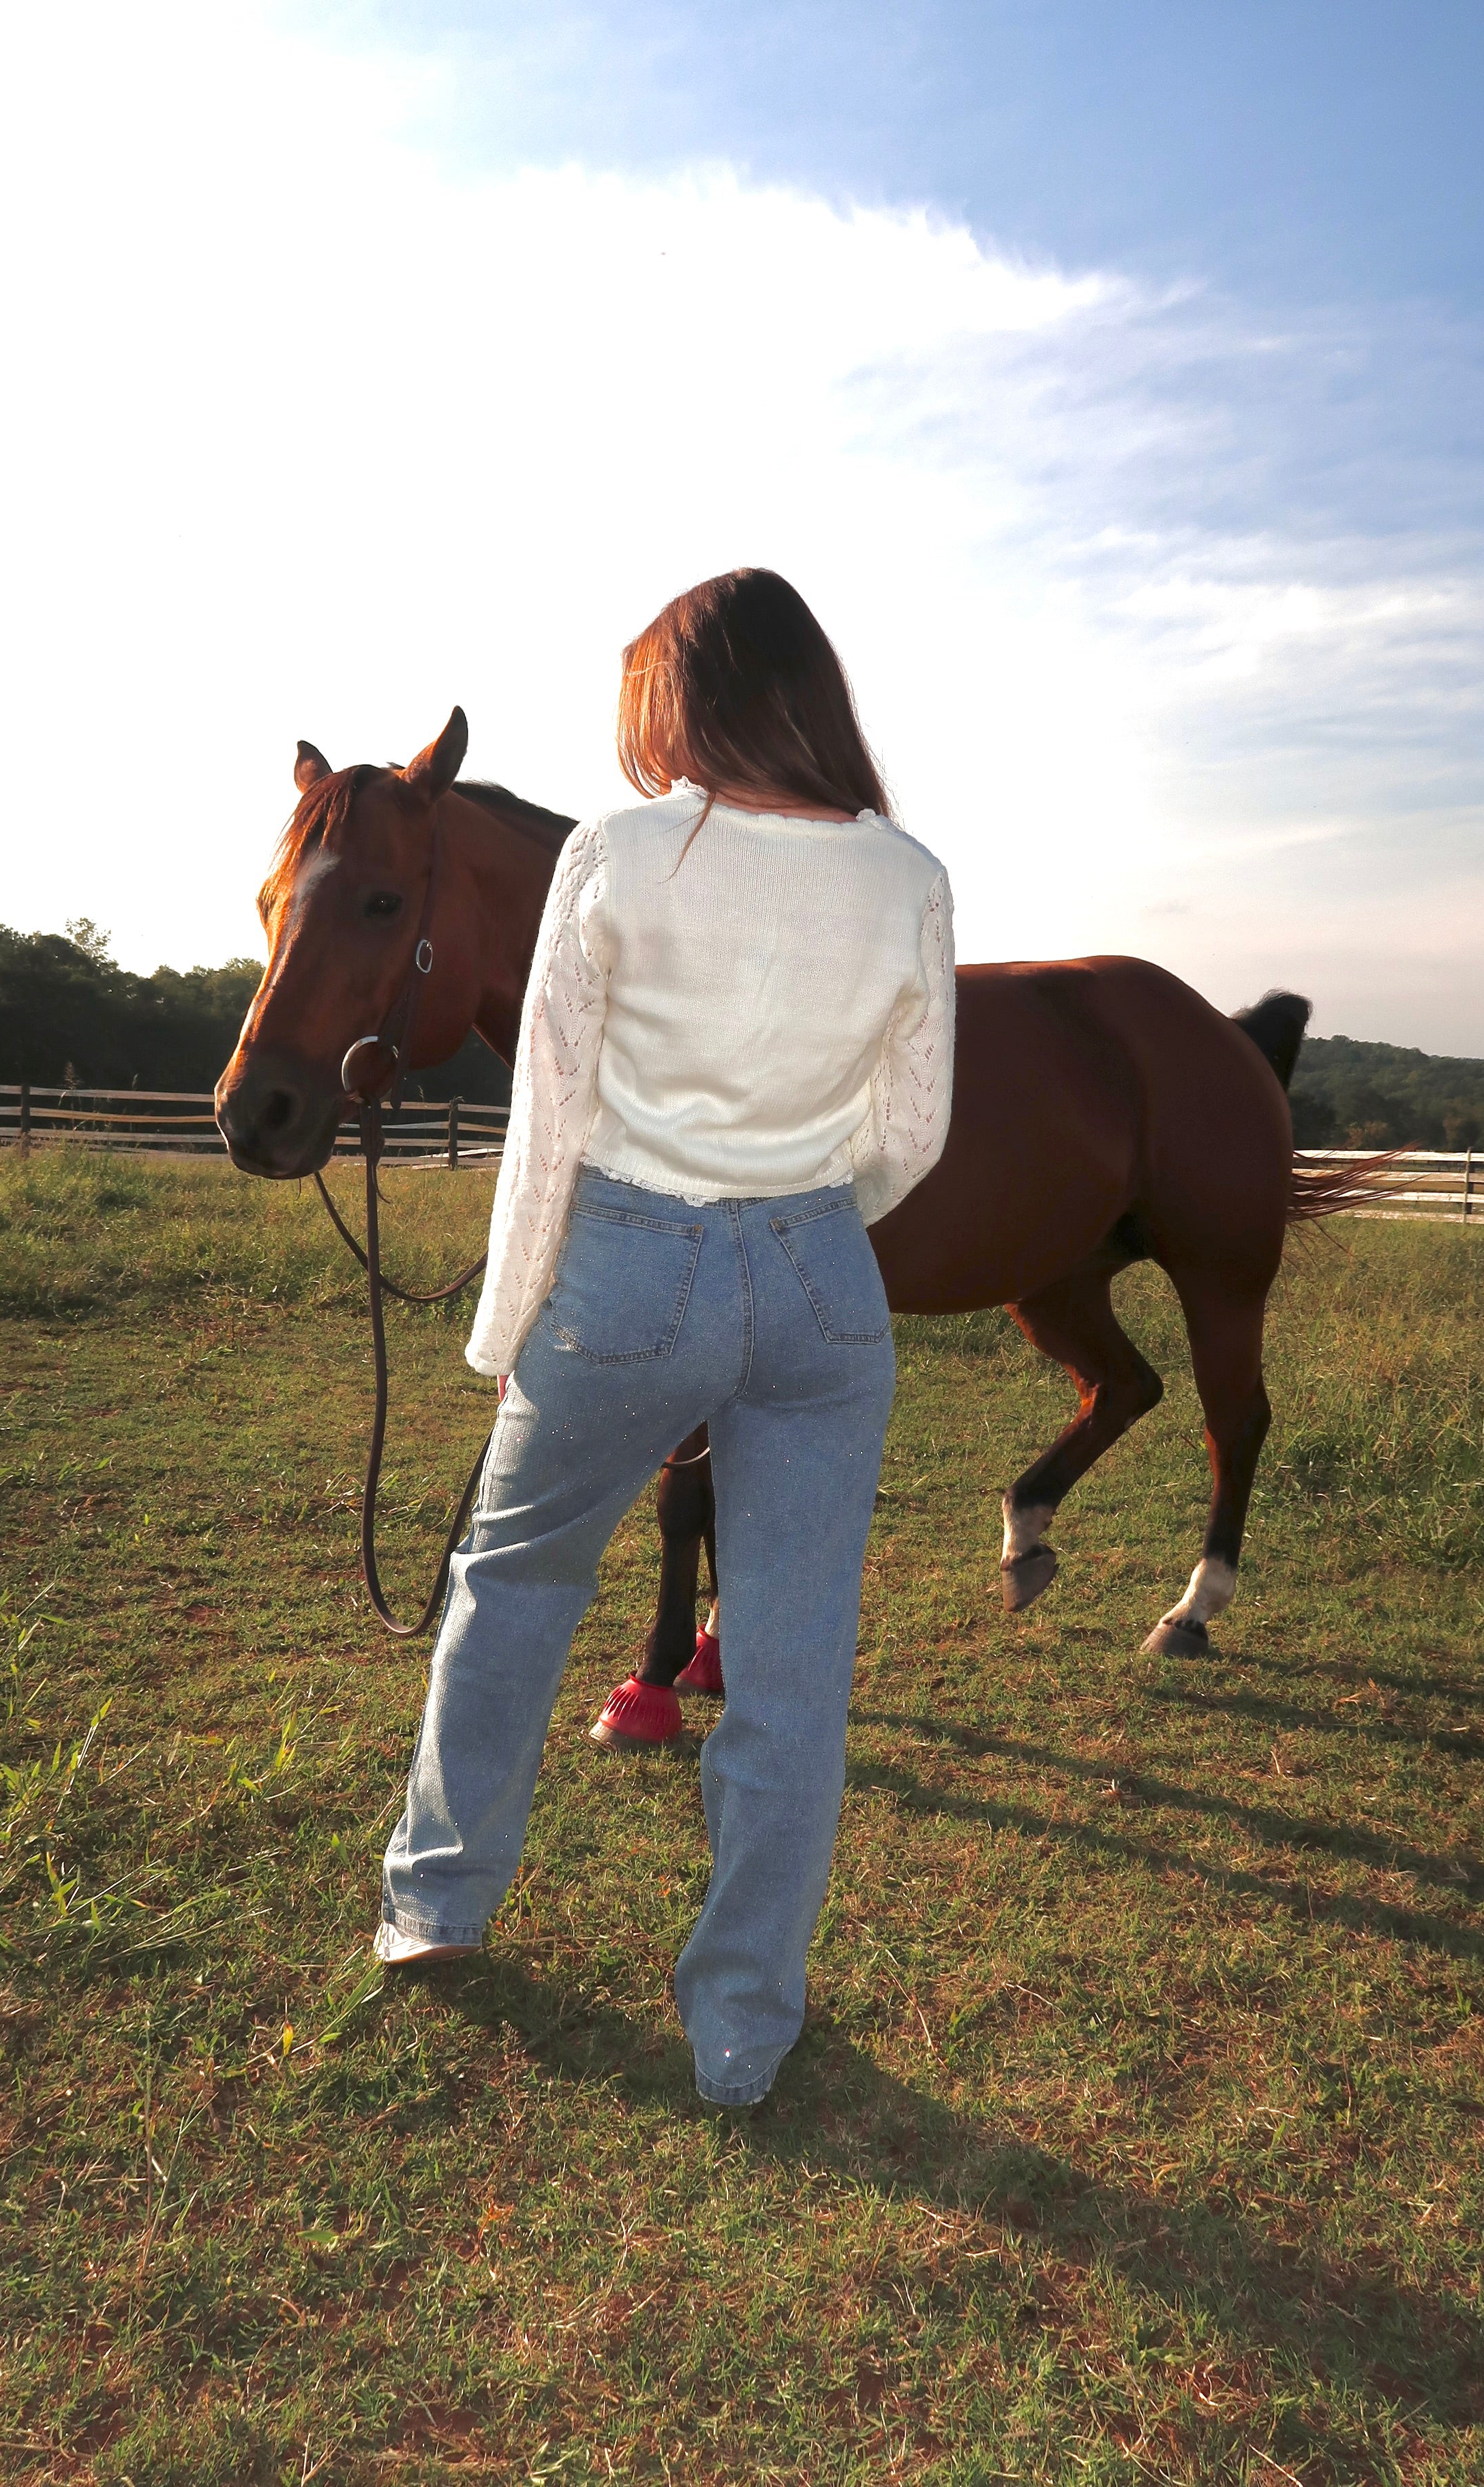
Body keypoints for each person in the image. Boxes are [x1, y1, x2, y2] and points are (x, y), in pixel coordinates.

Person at [376, 567, 955, 2109]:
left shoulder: (620, 852)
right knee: (791, 1669)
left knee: (515, 1577)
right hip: (825, 1278)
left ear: (676, 701)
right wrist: (807, 1220)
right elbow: (912, 1131)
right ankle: (745, 2027)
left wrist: (510, 1317)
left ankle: (437, 1903)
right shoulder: (907, 874)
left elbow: (548, 1109)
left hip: (631, 1263)